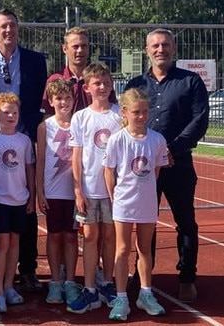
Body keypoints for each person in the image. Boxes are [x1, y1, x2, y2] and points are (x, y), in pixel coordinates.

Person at [126, 28, 209, 302]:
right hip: (144, 168)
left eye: (165, 45)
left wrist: (171, 150)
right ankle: (142, 275)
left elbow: (199, 121)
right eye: (155, 45)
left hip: (179, 164)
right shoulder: (135, 84)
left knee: (186, 222)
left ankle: (187, 277)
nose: (160, 49)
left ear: (173, 48)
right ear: (146, 50)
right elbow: (125, 122)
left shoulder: (191, 82)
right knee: (145, 223)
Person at [0, 9, 47, 292]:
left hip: (23, 137)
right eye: (3, 26)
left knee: (25, 205)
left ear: (18, 29)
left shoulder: (36, 61)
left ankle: (27, 268)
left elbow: (39, 101)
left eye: (12, 26)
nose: (8, 31)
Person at [103, 88, 169, 321]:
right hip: (123, 202)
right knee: (122, 249)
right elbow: (109, 172)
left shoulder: (157, 139)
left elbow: (157, 171)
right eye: (136, 112)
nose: (141, 116)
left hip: (147, 202)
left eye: (144, 112)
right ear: (124, 112)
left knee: (145, 248)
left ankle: (145, 294)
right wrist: (115, 197)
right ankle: (121, 298)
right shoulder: (117, 140)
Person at [67, 63, 121, 314]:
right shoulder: (80, 117)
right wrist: (78, 190)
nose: (102, 87)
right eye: (96, 83)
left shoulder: (120, 116)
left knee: (110, 237)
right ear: (87, 88)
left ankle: (107, 283)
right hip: (89, 190)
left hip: (115, 191)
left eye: (106, 82)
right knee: (90, 238)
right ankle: (89, 288)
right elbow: (76, 156)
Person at [0, 92, 36, 313]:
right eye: (6, 112)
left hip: (20, 199)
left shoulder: (23, 140)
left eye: (14, 112)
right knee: (2, 243)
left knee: (15, 243)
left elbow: (29, 168)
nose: (11, 115)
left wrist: (32, 195)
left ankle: (10, 286)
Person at [35, 78, 80, 306]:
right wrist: (39, 191)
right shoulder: (45, 127)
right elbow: (40, 159)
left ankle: (71, 282)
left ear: (74, 99)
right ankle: (55, 281)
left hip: (74, 193)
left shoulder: (79, 123)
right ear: (51, 101)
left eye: (68, 97)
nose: (64, 102)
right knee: (54, 236)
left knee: (71, 237)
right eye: (59, 98)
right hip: (53, 192)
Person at [41, 27, 117, 116]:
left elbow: (112, 110)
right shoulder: (55, 80)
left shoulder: (101, 81)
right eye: (75, 47)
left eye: (84, 46)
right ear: (65, 49)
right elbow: (48, 116)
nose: (80, 50)